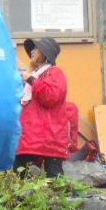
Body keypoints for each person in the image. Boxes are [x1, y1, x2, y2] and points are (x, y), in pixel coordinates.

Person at [13, 37, 69, 177]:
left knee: (53, 181)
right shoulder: (34, 75)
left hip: (47, 141)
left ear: (44, 54)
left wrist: (31, 80)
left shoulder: (55, 73)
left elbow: (51, 96)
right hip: (30, 140)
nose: (31, 51)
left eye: (36, 48)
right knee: (20, 177)